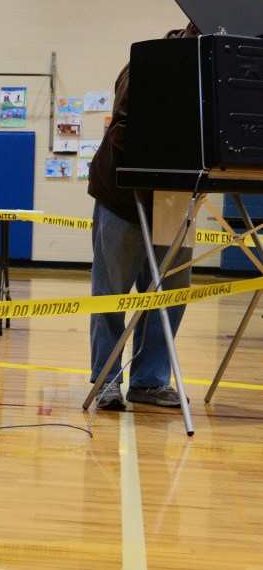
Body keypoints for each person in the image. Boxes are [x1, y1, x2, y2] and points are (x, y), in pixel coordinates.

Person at [87, 23, 200, 411]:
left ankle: (149, 381)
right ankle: (106, 379)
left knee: (170, 293)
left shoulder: (209, 74)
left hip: (174, 201)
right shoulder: (145, 66)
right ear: (191, 37)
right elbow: (122, 129)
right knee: (112, 293)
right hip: (123, 197)